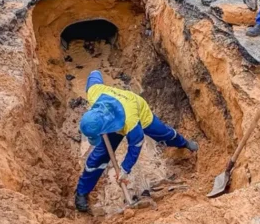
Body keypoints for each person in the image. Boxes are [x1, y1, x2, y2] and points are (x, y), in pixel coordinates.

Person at [74, 70, 198, 212]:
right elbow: (94, 74)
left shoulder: (131, 121)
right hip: (109, 122)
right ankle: (82, 192)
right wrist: (95, 72)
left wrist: (125, 169)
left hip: (139, 113)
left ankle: (183, 143)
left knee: (164, 133)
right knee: (97, 158)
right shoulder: (95, 93)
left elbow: (135, 145)